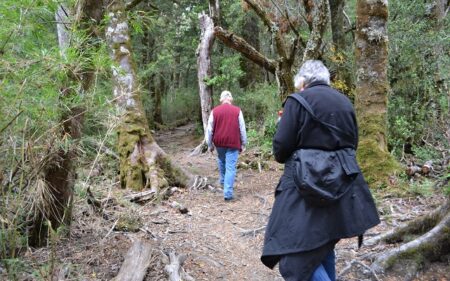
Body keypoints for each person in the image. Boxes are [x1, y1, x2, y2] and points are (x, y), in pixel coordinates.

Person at [260, 60, 380, 281]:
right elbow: (352, 144)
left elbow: (280, 149)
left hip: (302, 185)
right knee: (324, 242)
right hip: (341, 184)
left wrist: (284, 124)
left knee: (292, 259)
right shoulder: (345, 102)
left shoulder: (297, 101)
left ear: (303, 81)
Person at [206, 90, 247, 201]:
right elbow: (242, 129)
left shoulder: (215, 111)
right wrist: (244, 143)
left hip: (219, 143)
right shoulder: (237, 111)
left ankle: (223, 181)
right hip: (233, 143)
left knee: (221, 159)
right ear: (231, 99)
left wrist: (209, 144)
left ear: (221, 99)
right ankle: (227, 193)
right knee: (230, 167)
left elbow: (209, 130)